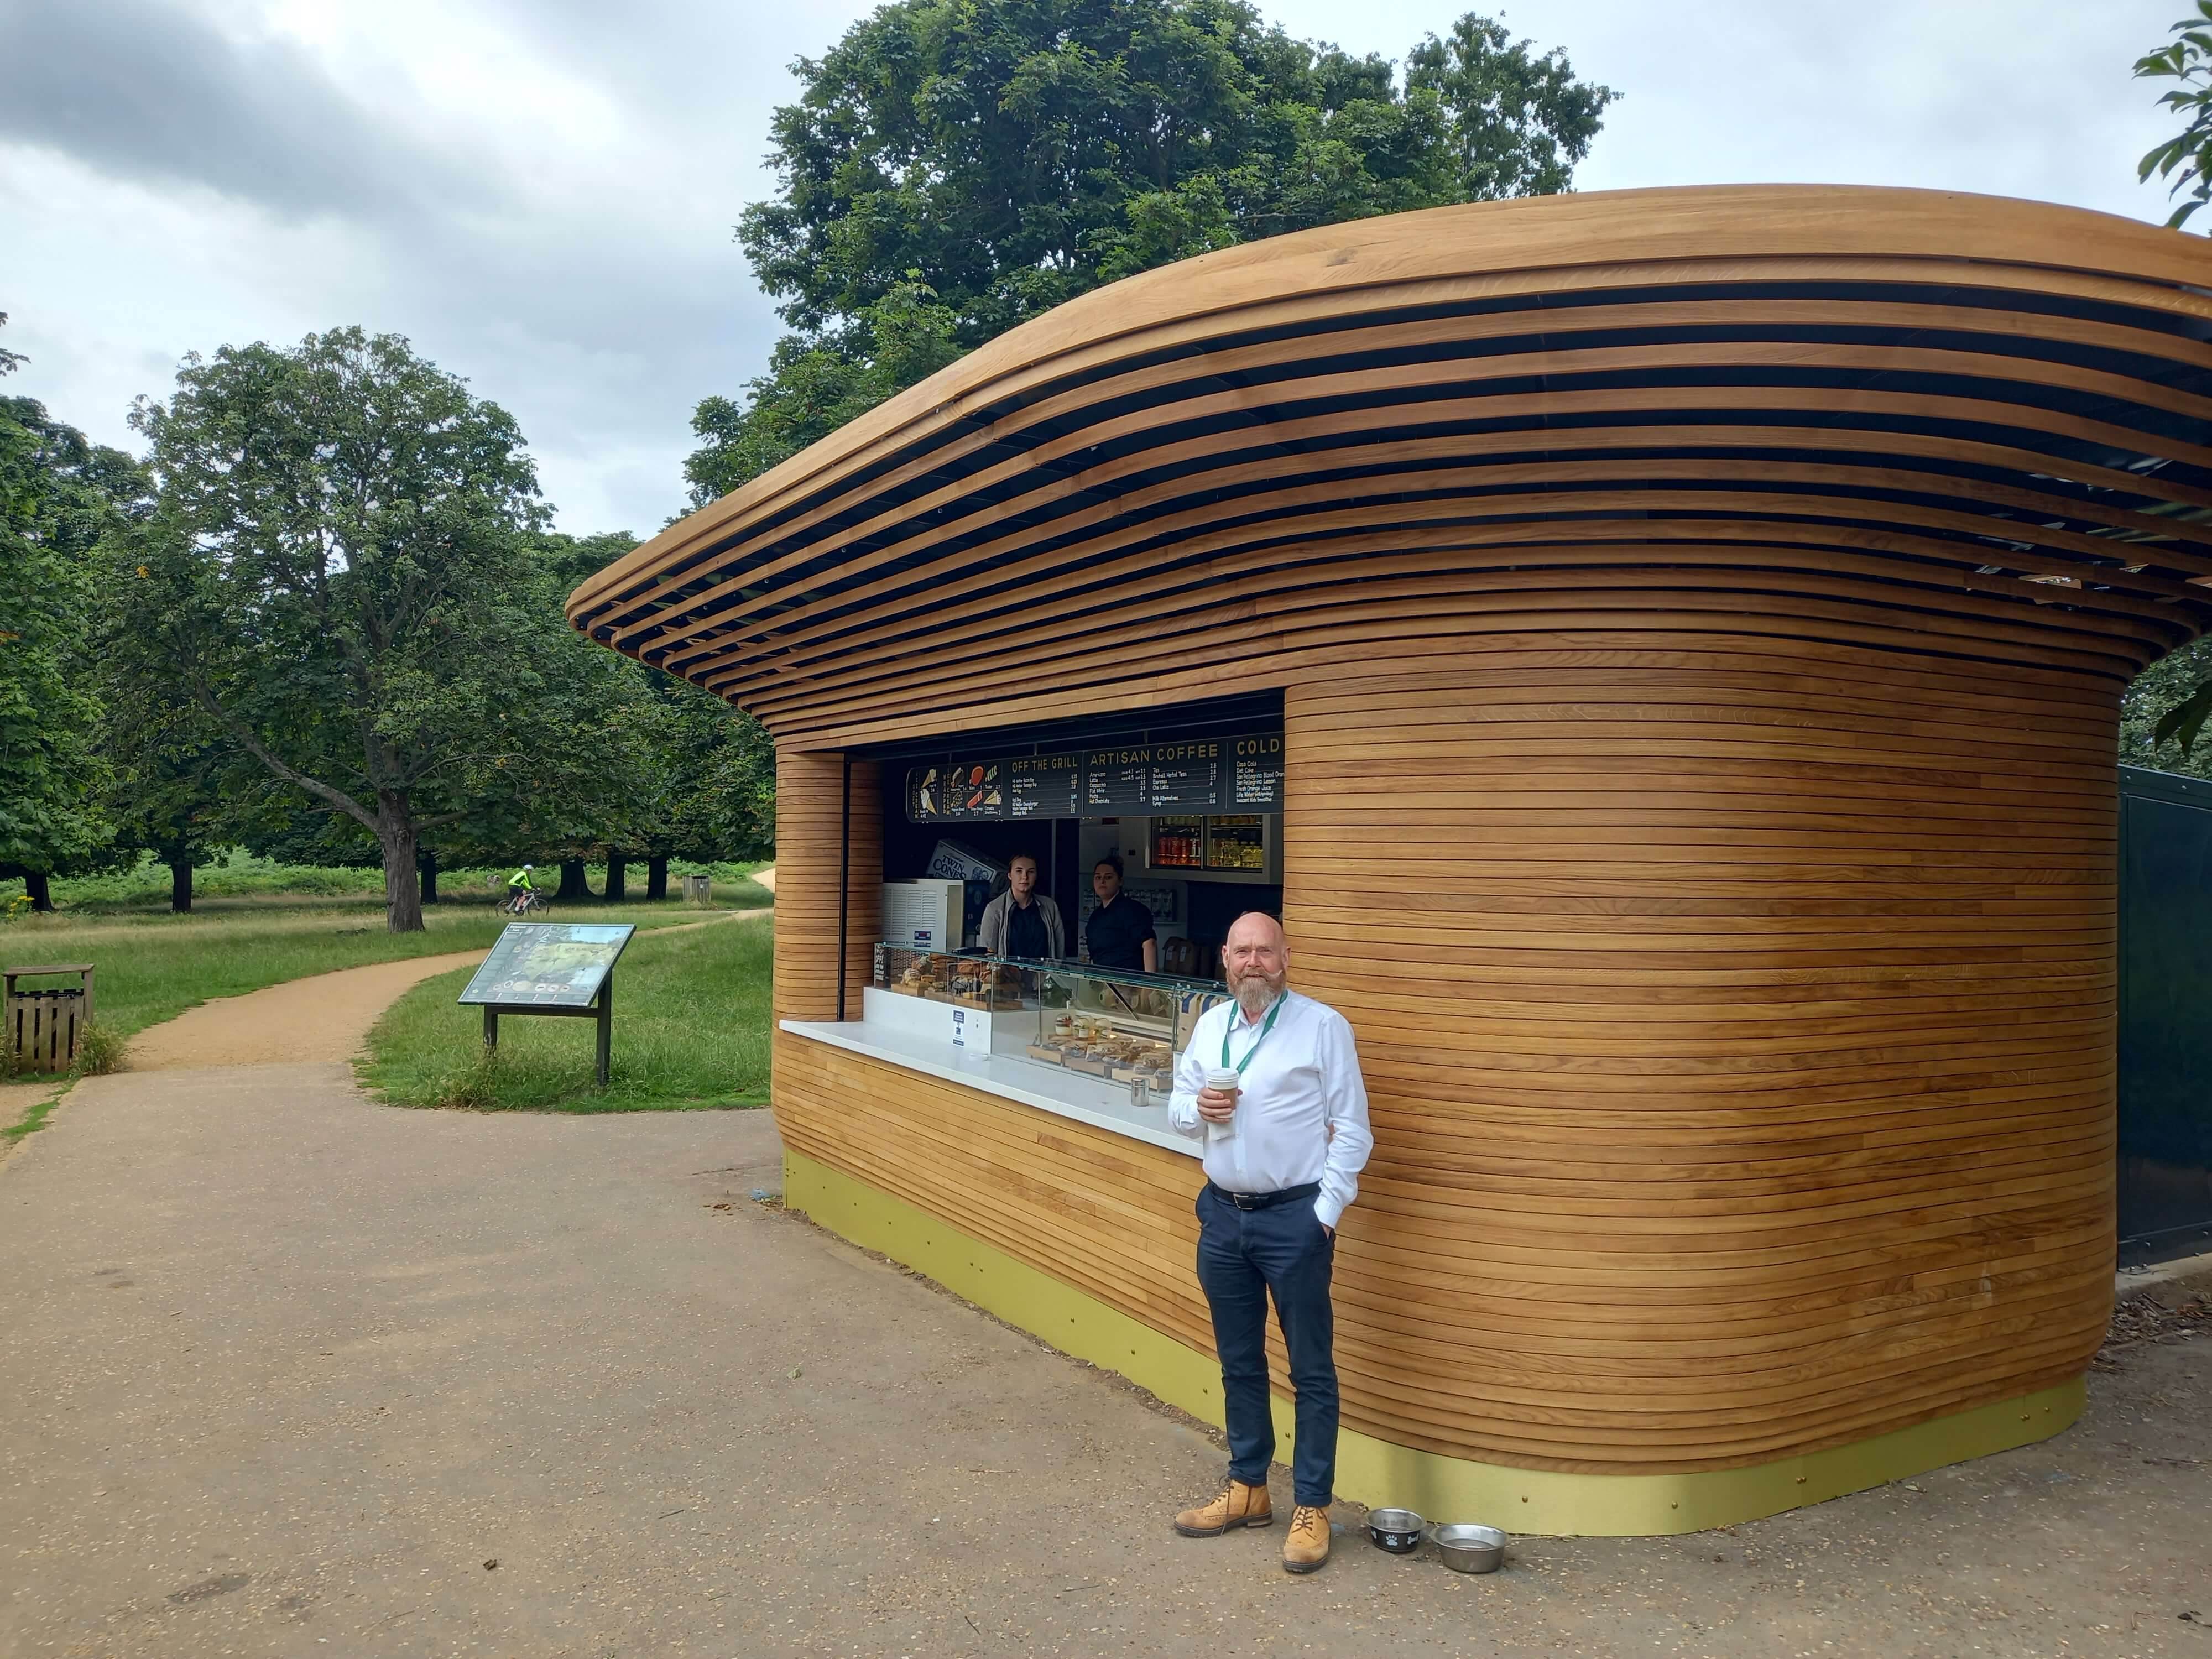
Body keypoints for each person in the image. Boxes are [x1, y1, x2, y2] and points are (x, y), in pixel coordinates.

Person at [1166, 911, 1373, 1575]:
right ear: (1225, 958)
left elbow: (1353, 1129)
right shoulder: (1209, 1025)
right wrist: (1196, 1109)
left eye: (1265, 950)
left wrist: (1325, 1213)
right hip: (1223, 1217)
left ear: (1285, 957)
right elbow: (1175, 1107)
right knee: (1238, 1360)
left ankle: (1313, 1506)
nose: (1253, 962)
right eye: (1242, 951)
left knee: (1311, 1370)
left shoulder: (1322, 1026)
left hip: (1294, 1221)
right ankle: (1249, 1487)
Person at [975, 853, 1065, 959]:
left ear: (1036, 875)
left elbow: (1060, 953)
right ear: (1010, 875)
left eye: (1031, 872)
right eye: (1019, 871)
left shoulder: (1050, 907)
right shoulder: (995, 909)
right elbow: (988, 954)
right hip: (1008, 975)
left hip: (1043, 975)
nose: (1025, 877)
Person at [1084, 855, 1157, 973]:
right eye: (1098, 877)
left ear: (1120, 881)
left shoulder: (1133, 910)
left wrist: (1149, 985)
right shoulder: (1095, 916)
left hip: (1129, 982)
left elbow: (1149, 944)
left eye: (1108, 877)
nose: (1102, 881)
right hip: (1103, 982)